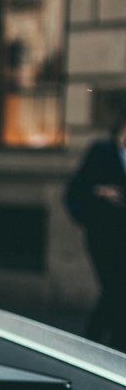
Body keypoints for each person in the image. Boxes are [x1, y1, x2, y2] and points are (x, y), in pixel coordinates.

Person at [66, 108, 126, 351]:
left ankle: (93, 344)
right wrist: (100, 191)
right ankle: (109, 345)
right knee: (116, 289)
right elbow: (76, 191)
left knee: (114, 292)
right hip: (103, 236)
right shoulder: (101, 151)